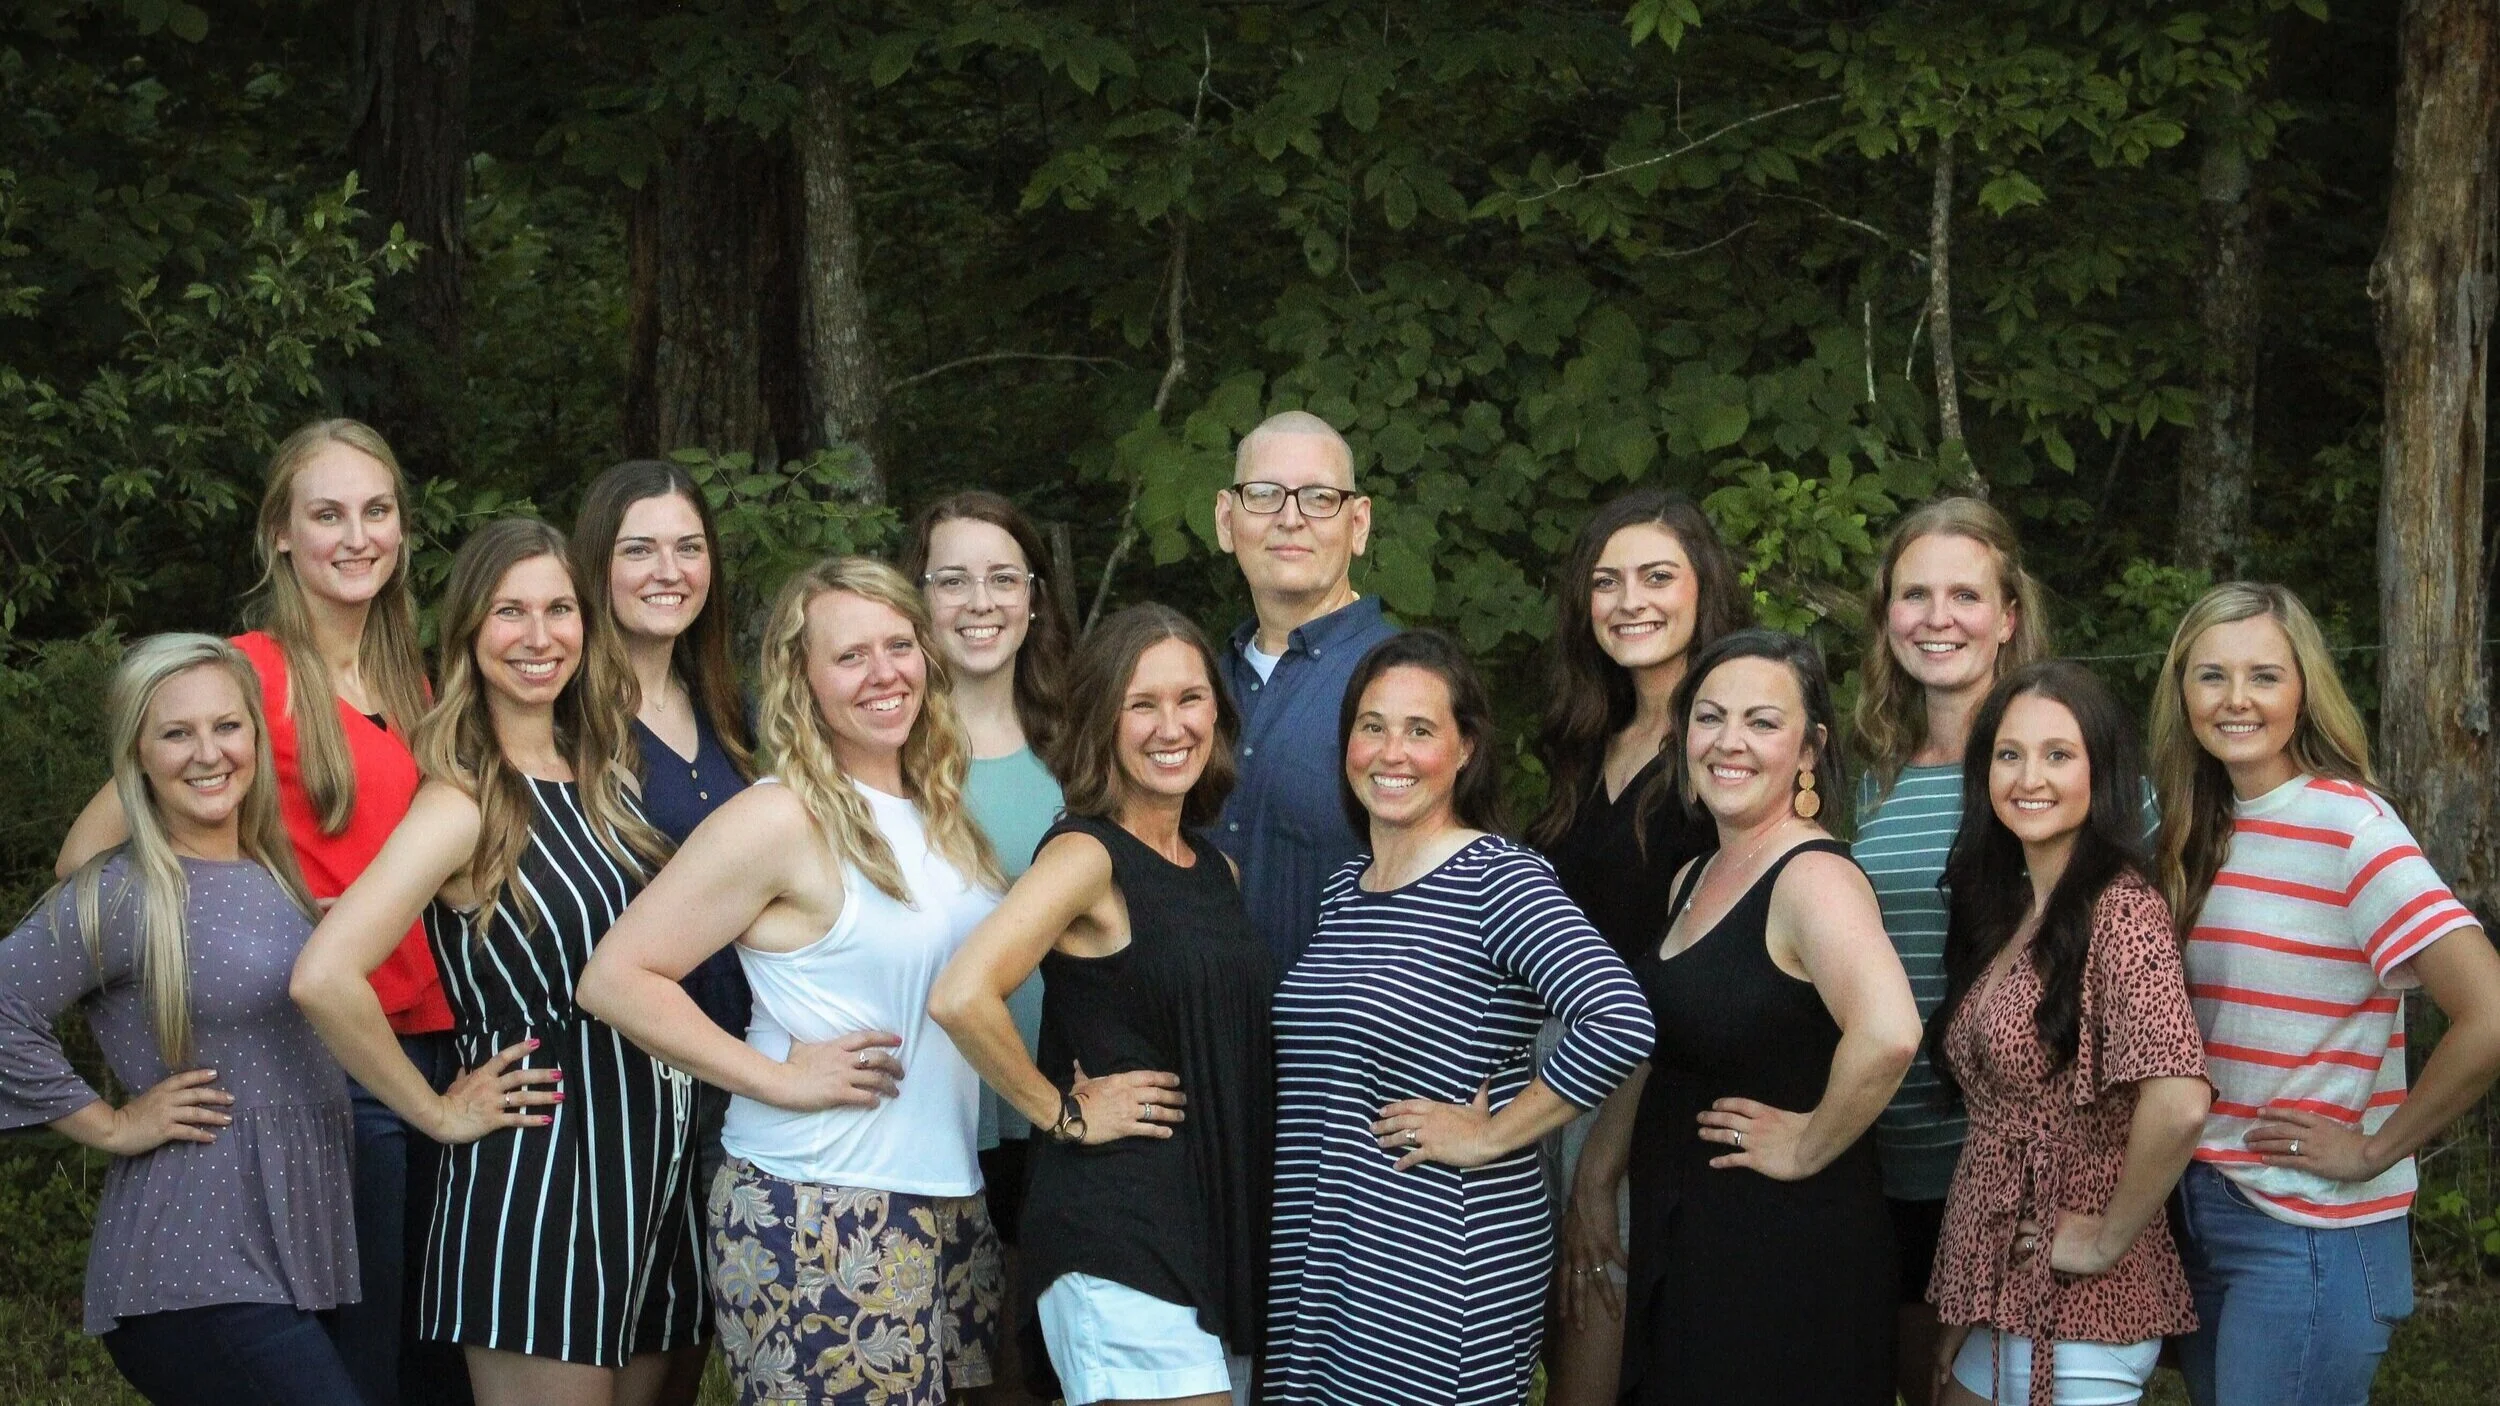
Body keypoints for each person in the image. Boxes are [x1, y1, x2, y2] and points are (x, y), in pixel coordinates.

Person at [53, 419, 456, 1406]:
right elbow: (84, 862)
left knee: (427, 1365)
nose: (356, 536)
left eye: (376, 511)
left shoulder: (414, 681)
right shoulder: (241, 677)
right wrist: (266, 914)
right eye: (327, 514)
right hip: (327, 1064)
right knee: (357, 1371)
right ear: (281, 533)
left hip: (430, 1046)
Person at [574, 557, 1008, 1406]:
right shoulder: (780, 815)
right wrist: (775, 1078)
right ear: (801, 679)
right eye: (850, 656)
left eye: (899, 646)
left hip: (946, 1194)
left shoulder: (939, 807)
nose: (884, 673)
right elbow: (615, 977)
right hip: (821, 1207)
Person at [290, 519, 703, 1406]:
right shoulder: (464, 801)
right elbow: (323, 976)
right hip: (541, 1177)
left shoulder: (607, 778)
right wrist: (436, 1111)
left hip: (650, 1169)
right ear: (470, 632)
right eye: (510, 612)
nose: (539, 636)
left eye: (559, 609)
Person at [1263, 631, 1653, 1406]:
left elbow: (1618, 1018)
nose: (1391, 752)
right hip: (1330, 1247)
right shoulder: (1346, 889)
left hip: (1437, 1257)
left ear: (1465, 748)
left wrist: (1495, 1133)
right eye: (1372, 726)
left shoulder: (1497, 878)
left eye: (1420, 730)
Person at [2148, 583, 2500, 1406]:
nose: (2236, 699)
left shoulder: (2352, 830)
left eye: (2265, 676)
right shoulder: (2189, 831)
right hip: (2201, 1208)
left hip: (2310, 1229)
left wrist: (2375, 1149)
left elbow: (2489, 1013)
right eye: (2212, 675)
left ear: (2304, 691)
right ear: (2181, 692)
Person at [0, 634, 360, 1404]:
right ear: (137, 755)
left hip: (299, 1255)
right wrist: (111, 1125)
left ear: (256, 736)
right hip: (193, 1269)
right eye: (175, 733)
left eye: (227, 726)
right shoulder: (124, 890)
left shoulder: (274, 878)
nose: (208, 753)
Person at [930, 603, 1271, 1406]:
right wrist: (1063, 1114)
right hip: (1119, 1233)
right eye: (1141, 704)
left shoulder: (1214, 870)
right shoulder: (1087, 855)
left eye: (1190, 699)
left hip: (1209, 1227)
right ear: (1102, 722)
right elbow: (961, 994)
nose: (1171, 727)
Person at [1586, 628, 1922, 1405]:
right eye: (1709, 718)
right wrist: (1598, 1177)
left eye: (1762, 722)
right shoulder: (1696, 874)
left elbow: (1890, 1033)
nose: (1729, 742)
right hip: (1694, 1238)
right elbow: (1662, 1043)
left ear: (1809, 750)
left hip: (1784, 1254)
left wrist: (1807, 1144)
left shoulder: (1812, 878)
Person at [1926, 661, 2209, 1406]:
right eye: (2009, 754)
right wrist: (1969, 1297)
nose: (2030, 778)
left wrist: (2105, 1237)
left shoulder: (2124, 911)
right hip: (1998, 1281)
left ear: (2101, 772)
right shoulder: (2012, 909)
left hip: (2080, 1303)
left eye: (2058, 754)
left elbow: (2180, 1101)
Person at [1527, 488, 1749, 1406]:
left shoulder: (1722, 755)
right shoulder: (1586, 742)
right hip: (1545, 1087)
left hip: (1641, 1103)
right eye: (1607, 581)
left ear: (1705, 589)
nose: (1630, 602)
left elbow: (1673, 981)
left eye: (1658, 577)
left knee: (1595, 1362)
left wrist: (1601, 1165)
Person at [1846, 496, 2050, 1403]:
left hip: (2012, 1170)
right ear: (1887, 614)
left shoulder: (2068, 771)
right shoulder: (1865, 785)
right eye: (1914, 594)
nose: (1938, 618)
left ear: (2008, 617)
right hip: (1882, 1158)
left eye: (1965, 595)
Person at [903, 491, 1073, 1405]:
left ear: (1034, 598)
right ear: (919, 597)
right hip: (923, 1101)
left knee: (1030, 1362)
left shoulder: (1078, 745)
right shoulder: (886, 747)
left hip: (1051, 1097)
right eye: (953, 580)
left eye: (1004, 578)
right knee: (938, 1367)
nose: (981, 602)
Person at [1211, 410, 1399, 967]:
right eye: (1264, 495)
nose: (1290, 519)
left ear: (1358, 524)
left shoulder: (1406, 682)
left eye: (1319, 498)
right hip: (1195, 1022)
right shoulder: (1196, 690)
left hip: (1342, 1021)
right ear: (1226, 520)